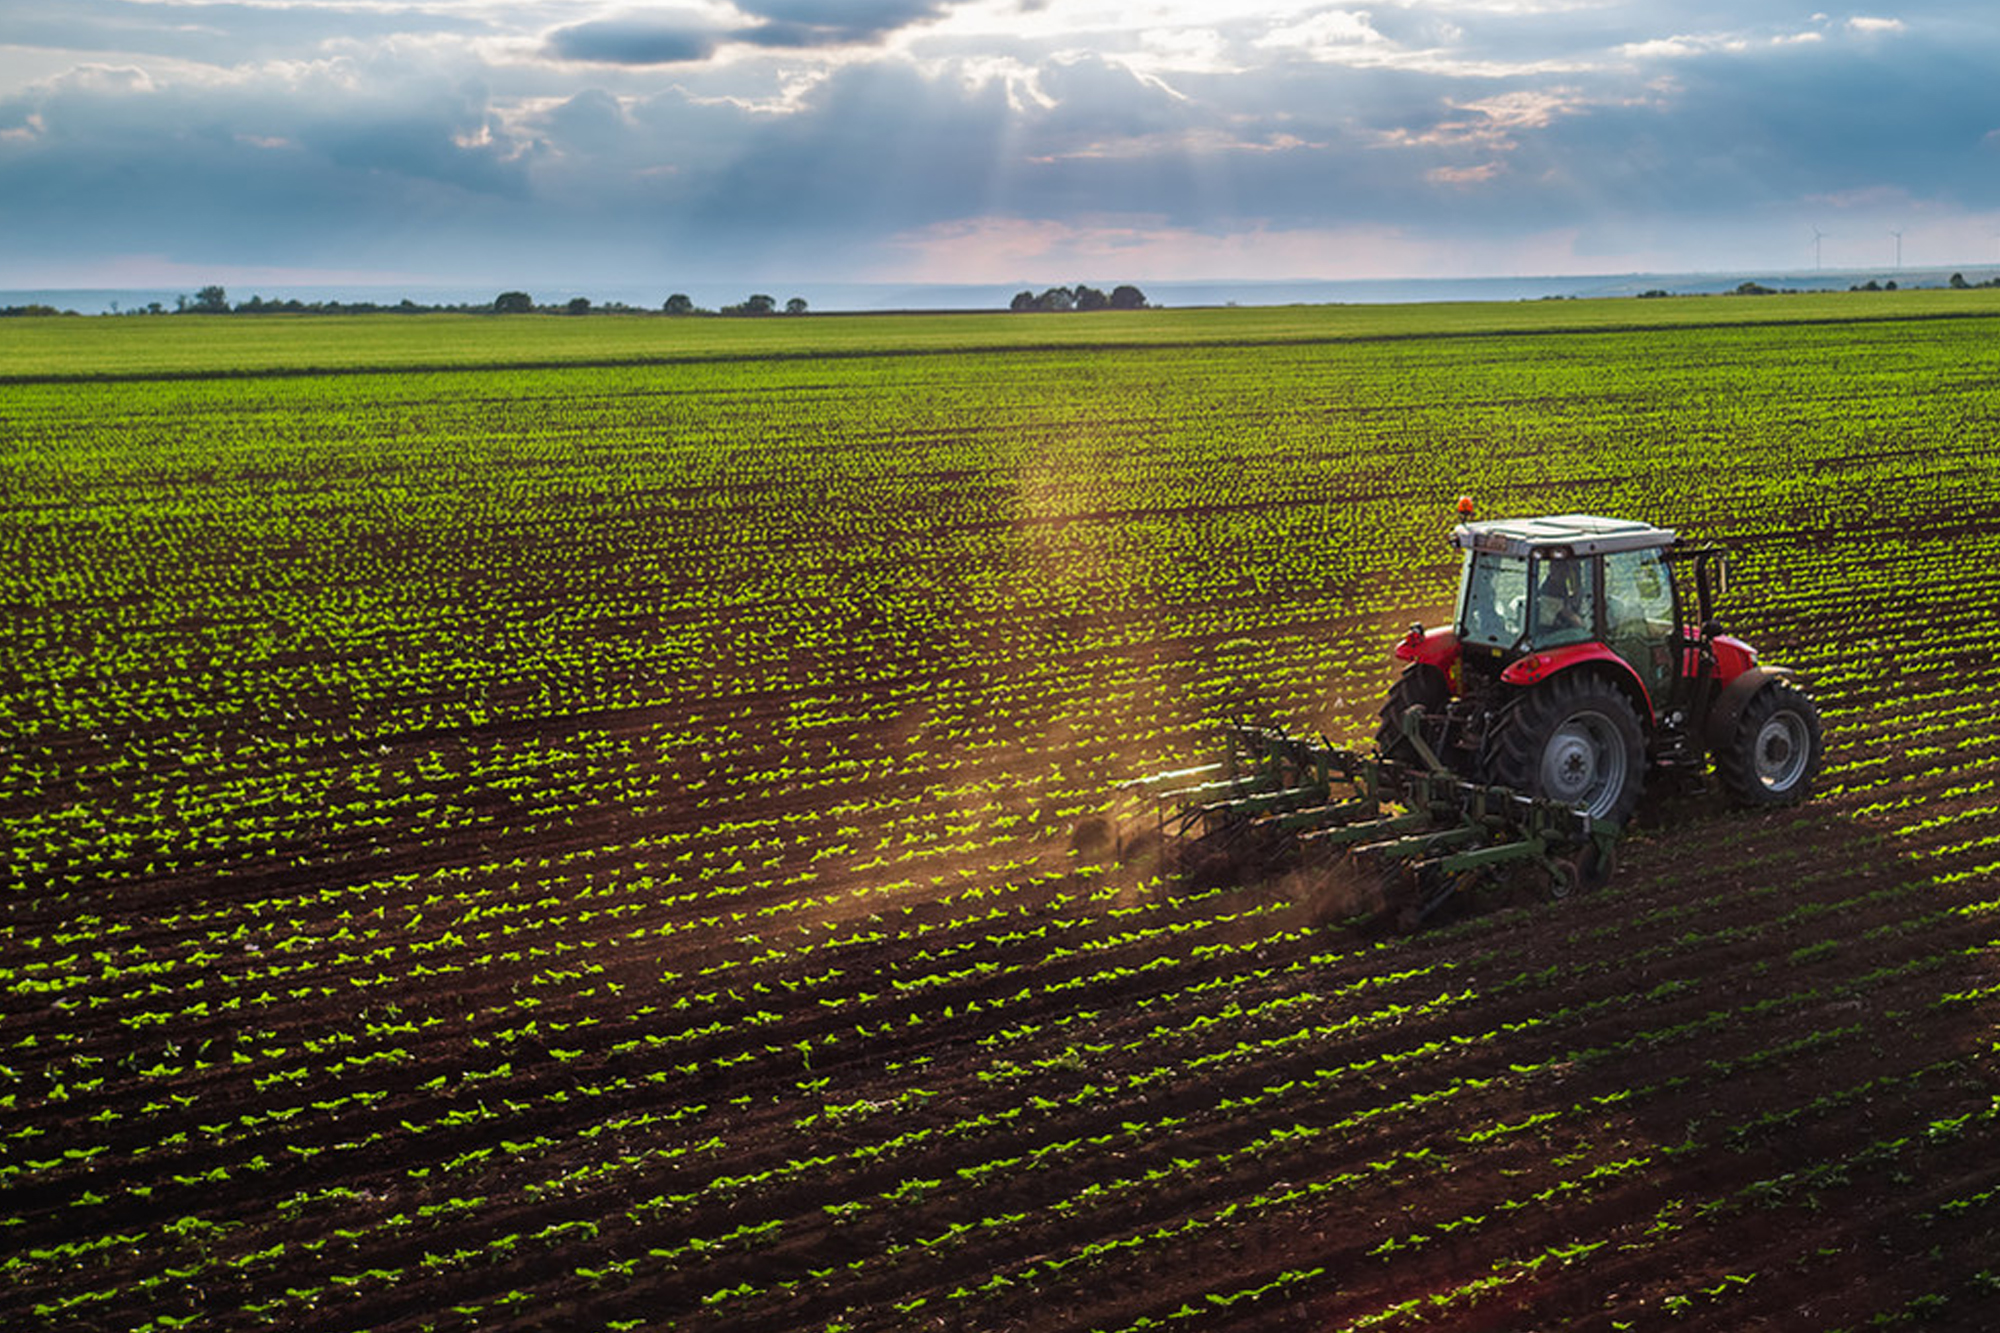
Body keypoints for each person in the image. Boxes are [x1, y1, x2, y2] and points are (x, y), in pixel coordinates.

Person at [1536, 558, 1587, 638]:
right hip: (1549, 634)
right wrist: (1583, 625)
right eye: (1563, 569)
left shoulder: (1560, 585)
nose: (1565, 573)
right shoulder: (1549, 589)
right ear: (1552, 569)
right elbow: (1568, 614)